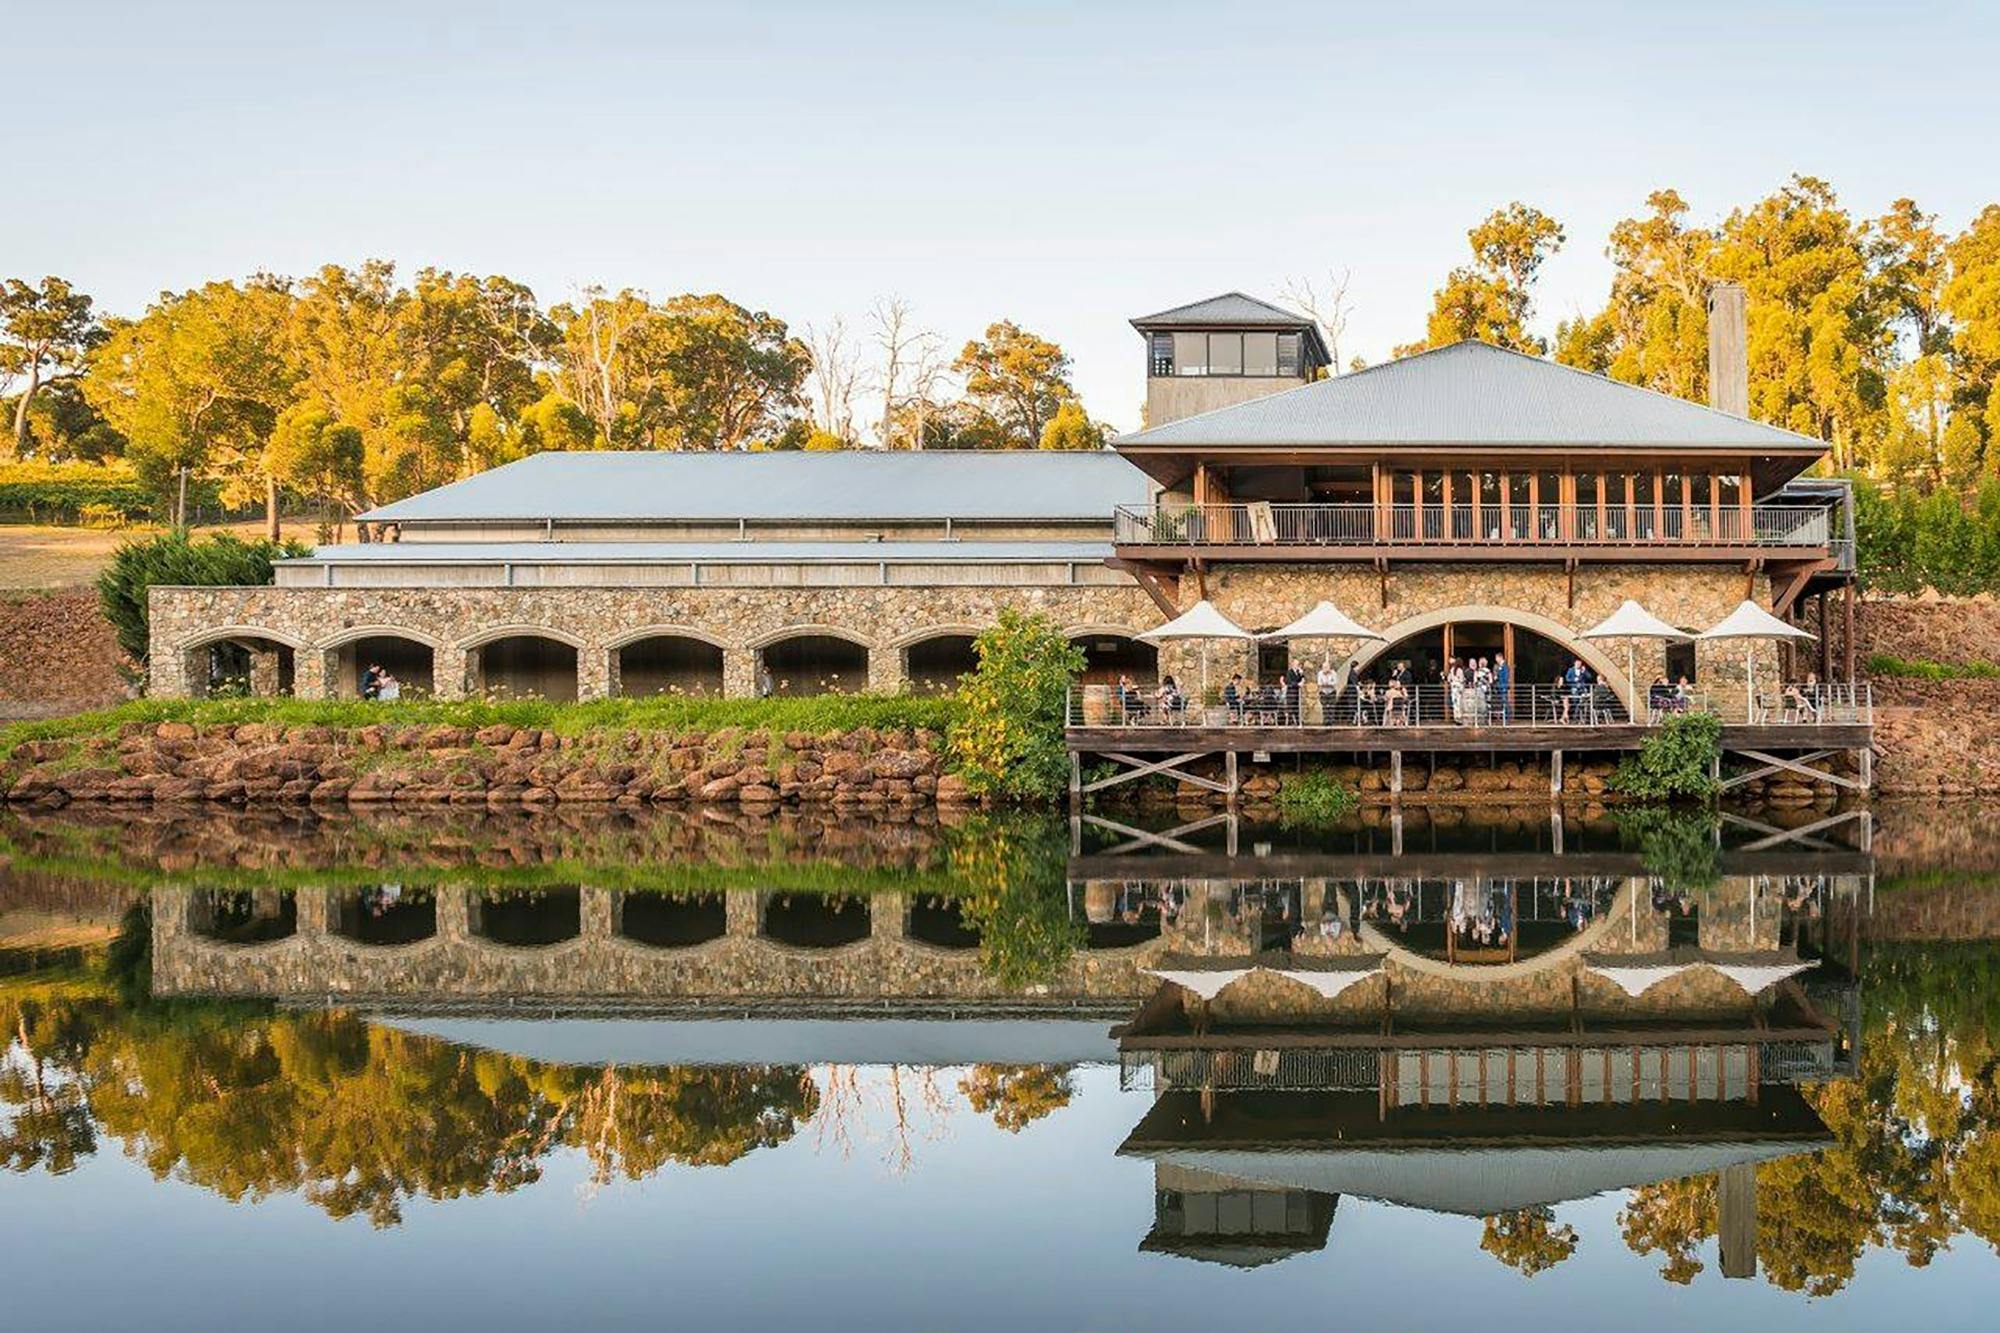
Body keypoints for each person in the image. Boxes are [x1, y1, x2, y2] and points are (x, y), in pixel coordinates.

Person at [1316, 660, 1339, 724]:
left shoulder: (1333, 673)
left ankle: (1331, 721)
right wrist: (1328, 683)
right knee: (1325, 707)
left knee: (1332, 706)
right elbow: (1319, 683)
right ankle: (1326, 721)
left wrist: (1327, 683)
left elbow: (1335, 682)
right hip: (1323, 692)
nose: (1324, 669)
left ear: (1329, 667)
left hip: (1331, 692)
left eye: (1326, 667)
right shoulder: (1320, 673)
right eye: (1323, 667)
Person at [1493, 652, 1511, 724]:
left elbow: (1506, 677)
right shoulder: (1500, 666)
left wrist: (1503, 685)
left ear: (1500, 657)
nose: (1496, 659)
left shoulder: (1504, 666)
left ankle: (1507, 718)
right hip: (1500, 686)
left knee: (1505, 702)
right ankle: (1505, 718)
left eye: (1496, 658)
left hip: (1503, 686)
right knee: (1503, 702)